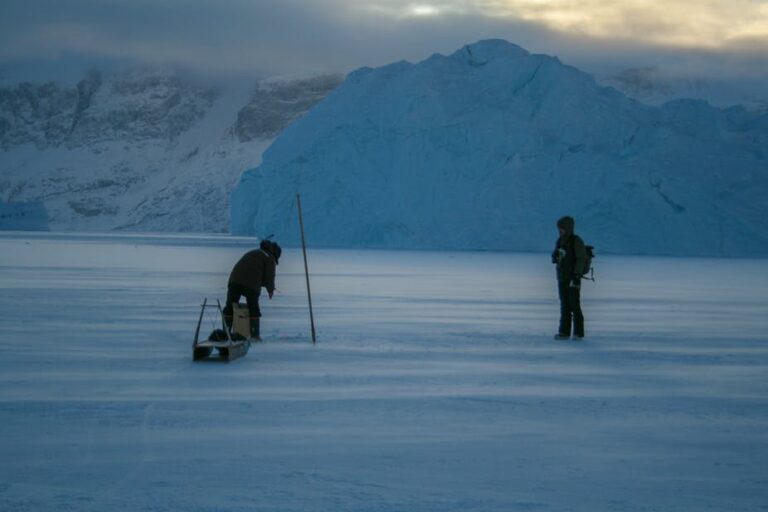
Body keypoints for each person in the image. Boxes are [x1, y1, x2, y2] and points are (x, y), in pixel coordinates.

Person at [223, 239, 281, 340]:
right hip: (251, 283)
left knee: (230, 306)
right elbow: (269, 276)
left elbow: (251, 269)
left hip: (234, 280)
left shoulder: (254, 252)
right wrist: (270, 290)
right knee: (253, 307)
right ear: (275, 254)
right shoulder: (270, 257)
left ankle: (225, 333)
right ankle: (255, 335)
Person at [551, 216, 587, 340]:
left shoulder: (576, 241)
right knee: (565, 305)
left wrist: (577, 275)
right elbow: (557, 256)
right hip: (562, 278)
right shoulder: (560, 241)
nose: (560, 231)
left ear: (568, 228)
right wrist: (555, 256)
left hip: (573, 278)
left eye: (562, 229)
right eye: (559, 229)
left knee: (574, 305)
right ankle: (564, 332)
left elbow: (581, 259)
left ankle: (578, 333)